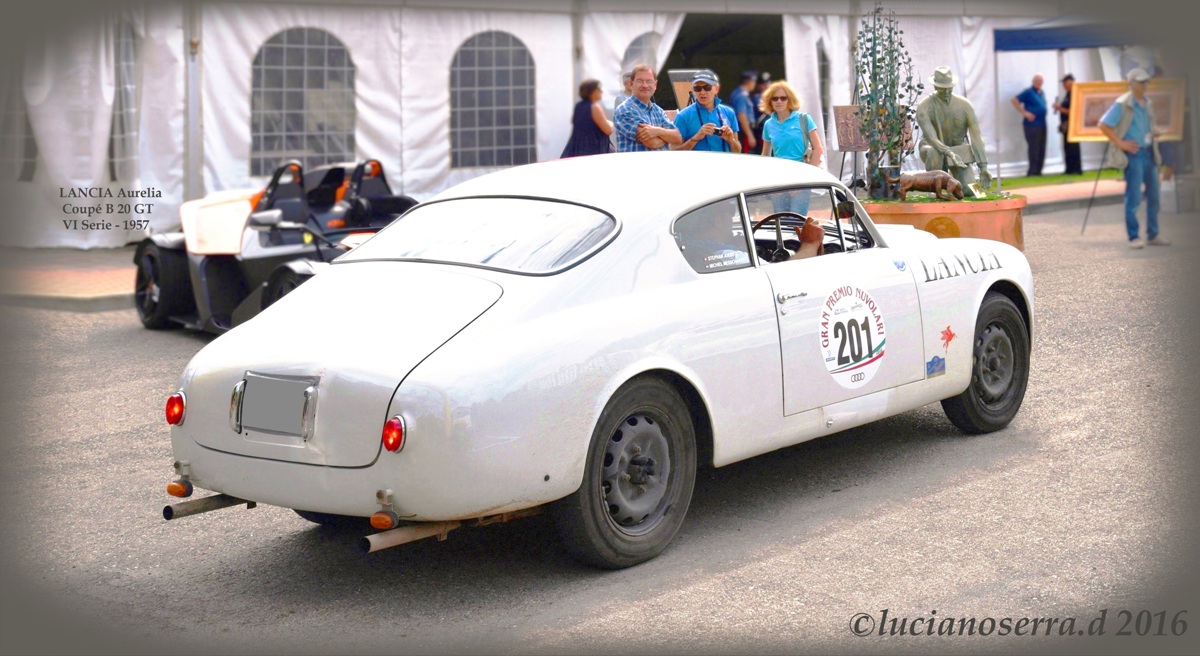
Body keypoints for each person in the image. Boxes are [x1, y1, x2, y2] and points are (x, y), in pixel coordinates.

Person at [1098, 67, 1169, 249]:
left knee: (1154, 196)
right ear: (1131, 84)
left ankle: (1153, 234)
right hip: (1134, 155)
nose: (1146, 85)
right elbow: (1104, 125)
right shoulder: (1122, 103)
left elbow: (1147, 127)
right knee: (1134, 197)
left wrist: (1155, 133)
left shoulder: (1147, 102)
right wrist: (1120, 143)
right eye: (1142, 82)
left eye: (1146, 82)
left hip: (1149, 152)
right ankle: (1133, 237)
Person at [915, 66, 991, 190]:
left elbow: (976, 136)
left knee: (973, 191)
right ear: (935, 86)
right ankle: (934, 188)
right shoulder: (924, 107)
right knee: (933, 152)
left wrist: (983, 167)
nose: (946, 92)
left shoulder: (965, 105)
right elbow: (932, 138)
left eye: (949, 88)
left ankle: (963, 185)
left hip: (958, 152)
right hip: (934, 150)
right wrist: (949, 153)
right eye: (942, 88)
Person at [758, 80, 824, 215]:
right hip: (778, 178)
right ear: (770, 102)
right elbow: (765, 155)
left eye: (783, 98)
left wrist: (806, 180)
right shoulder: (768, 124)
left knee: (796, 220)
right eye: (775, 98)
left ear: (790, 100)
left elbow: (818, 148)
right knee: (781, 221)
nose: (779, 101)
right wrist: (768, 182)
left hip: (801, 175)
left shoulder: (803, 119)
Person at [613, 63, 682, 152]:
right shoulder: (624, 110)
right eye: (640, 81)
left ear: (655, 85)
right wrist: (667, 136)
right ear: (631, 83)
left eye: (649, 81)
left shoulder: (658, 111)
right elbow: (652, 143)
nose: (645, 85)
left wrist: (657, 131)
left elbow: (678, 137)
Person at [671, 69, 741, 153]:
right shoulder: (683, 116)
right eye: (698, 88)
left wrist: (731, 140)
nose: (702, 92)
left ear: (716, 89)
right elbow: (673, 151)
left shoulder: (729, 113)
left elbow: (738, 151)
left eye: (707, 87)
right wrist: (695, 138)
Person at [560, 79, 614, 158]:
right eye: (599, 89)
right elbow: (608, 130)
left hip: (579, 150)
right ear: (592, 92)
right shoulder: (594, 107)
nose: (601, 92)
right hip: (593, 151)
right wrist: (610, 123)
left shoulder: (579, 106)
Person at [1011, 73, 1048, 176]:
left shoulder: (1041, 93)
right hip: (1032, 125)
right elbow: (1014, 100)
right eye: (1037, 81)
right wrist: (1025, 113)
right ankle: (1032, 171)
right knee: (1034, 147)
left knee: (1041, 147)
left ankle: (1039, 170)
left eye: (1041, 81)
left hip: (1042, 124)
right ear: (1033, 81)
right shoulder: (1028, 92)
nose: (1039, 83)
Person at [1052, 73, 1083, 175]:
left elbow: (1073, 111)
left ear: (1070, 83)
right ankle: (1069, 169)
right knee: (1067, 147)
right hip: (1066, 125)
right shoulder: (1067, 94)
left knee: (1073, 147)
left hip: (1072, 125)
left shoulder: (1074, 94)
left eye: (1065, 83)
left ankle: (1076, 169)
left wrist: (1059, 108)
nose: (1064, 85)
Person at [729, 71, 758, 154]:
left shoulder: (738, 93)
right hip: (744, 131)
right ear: (750, 82)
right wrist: (750, 135)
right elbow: (741, 115)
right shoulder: (742, 95)